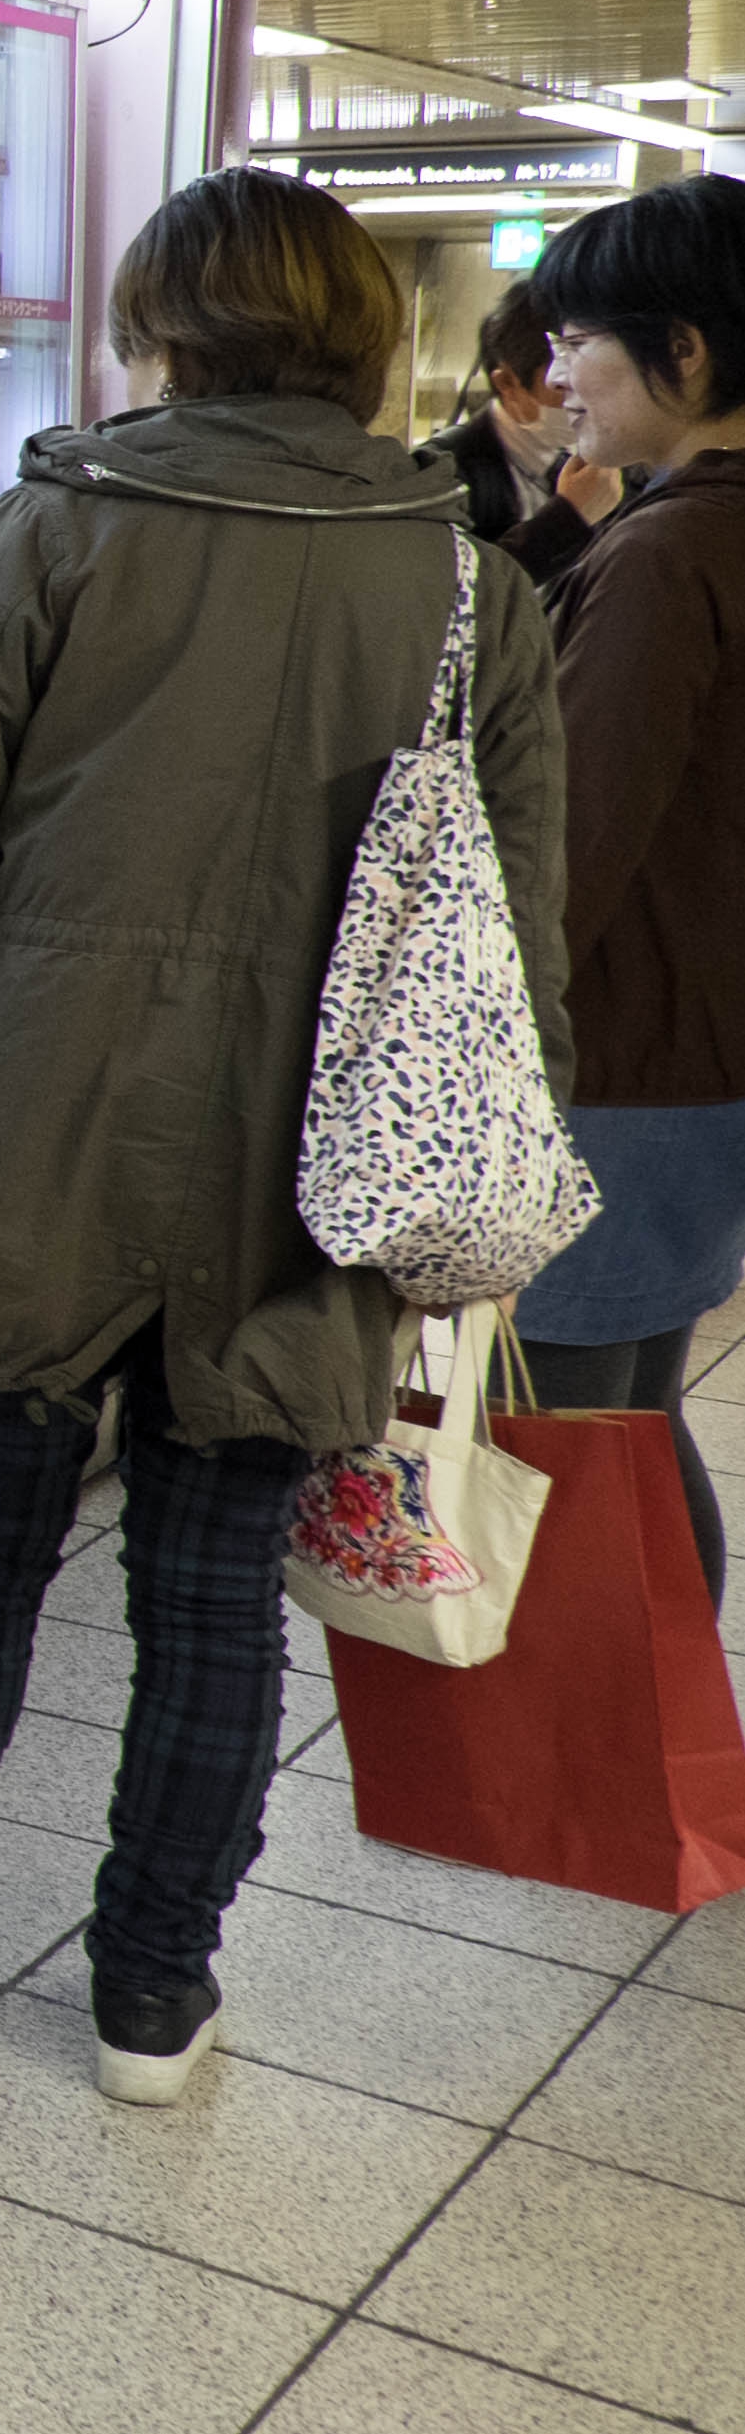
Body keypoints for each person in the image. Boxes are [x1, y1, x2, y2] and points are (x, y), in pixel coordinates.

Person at [0, 168, 567, 2106]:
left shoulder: (61, 532)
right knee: (211, 1578)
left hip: (43, 1109)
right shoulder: (467, 581)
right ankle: (153, 1992)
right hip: (321, 1149)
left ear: (163, 329)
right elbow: (519, 931)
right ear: (358, 341)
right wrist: (496, 1198)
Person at [495, 177, 745, 1609]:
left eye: (577, 339)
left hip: (619, 1071)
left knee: (575, 1436)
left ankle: (613, 1788)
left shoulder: (667, 554)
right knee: (632, 1428)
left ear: (687, 351)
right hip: (702, 1059)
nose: (553, 379)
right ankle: (657, 1773)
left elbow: (564, 851)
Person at [425, 278, 629, 590]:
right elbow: (450, 597)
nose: (579, 397)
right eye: (558, 382)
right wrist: (568, 519)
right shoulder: (442, 472)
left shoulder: (602, 464)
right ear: (507, 383)